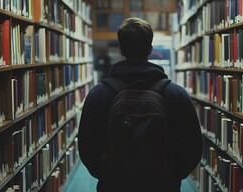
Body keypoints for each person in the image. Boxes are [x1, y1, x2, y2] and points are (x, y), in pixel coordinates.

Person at [78, 17, 203, 192]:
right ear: (150, 49)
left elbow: (86, 147)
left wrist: (108, 175)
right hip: (162, 186)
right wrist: (171, 176)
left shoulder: (98, 95)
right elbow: (193, 147)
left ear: (121, 49)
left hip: (114, 186)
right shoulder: (177, 94)